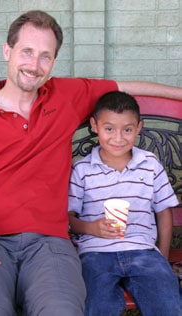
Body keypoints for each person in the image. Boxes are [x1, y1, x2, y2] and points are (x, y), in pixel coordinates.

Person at [0, 9, 182, 316]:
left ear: (53, 62)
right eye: (27, 51)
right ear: (7, 51)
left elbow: (127, 87)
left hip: (49, 244)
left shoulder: (65, 96)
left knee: (60, 309)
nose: (34, 65)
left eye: (45, 56)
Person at [68, 90, 182, 316]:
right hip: (94, 254)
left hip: (143, 251)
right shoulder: (83, 170)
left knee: (168, 304)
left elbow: (163, 211)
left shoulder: (149, 164)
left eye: (127, 130)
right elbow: (68, 218)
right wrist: (91, 227)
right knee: (96, 306)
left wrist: (162, 254)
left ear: (138, 128)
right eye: (109, 128)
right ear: (95, 126)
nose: (118, 138)